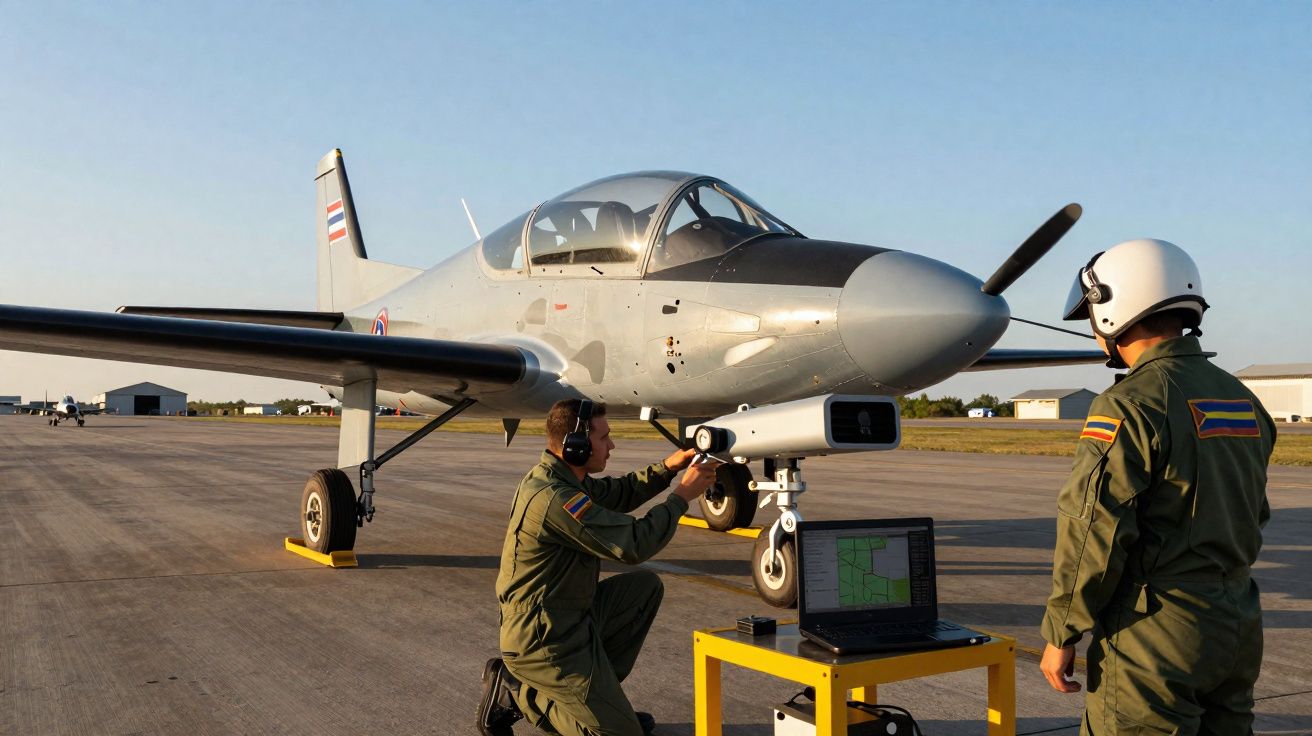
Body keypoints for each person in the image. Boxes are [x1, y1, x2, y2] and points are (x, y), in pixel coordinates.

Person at [1040, 239, 1275, 734]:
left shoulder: (1128, 404)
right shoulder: (1241, 398)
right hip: (1235, 624)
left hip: (1157, 633)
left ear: (1112, 311)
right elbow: (1252, 509)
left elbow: (1093, 528)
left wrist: (1064, 629)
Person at [477, 399, 720, 736]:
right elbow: (633, 544)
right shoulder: (554, 497)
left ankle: (599, 700)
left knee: (643, 589)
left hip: (568, 618)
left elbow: (619, 492)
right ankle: (518, 695)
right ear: (575, 445)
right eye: (604, 438)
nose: (611, 446)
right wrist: (681, 496)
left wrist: (669, 467)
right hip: (542, 637)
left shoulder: (565, 479)